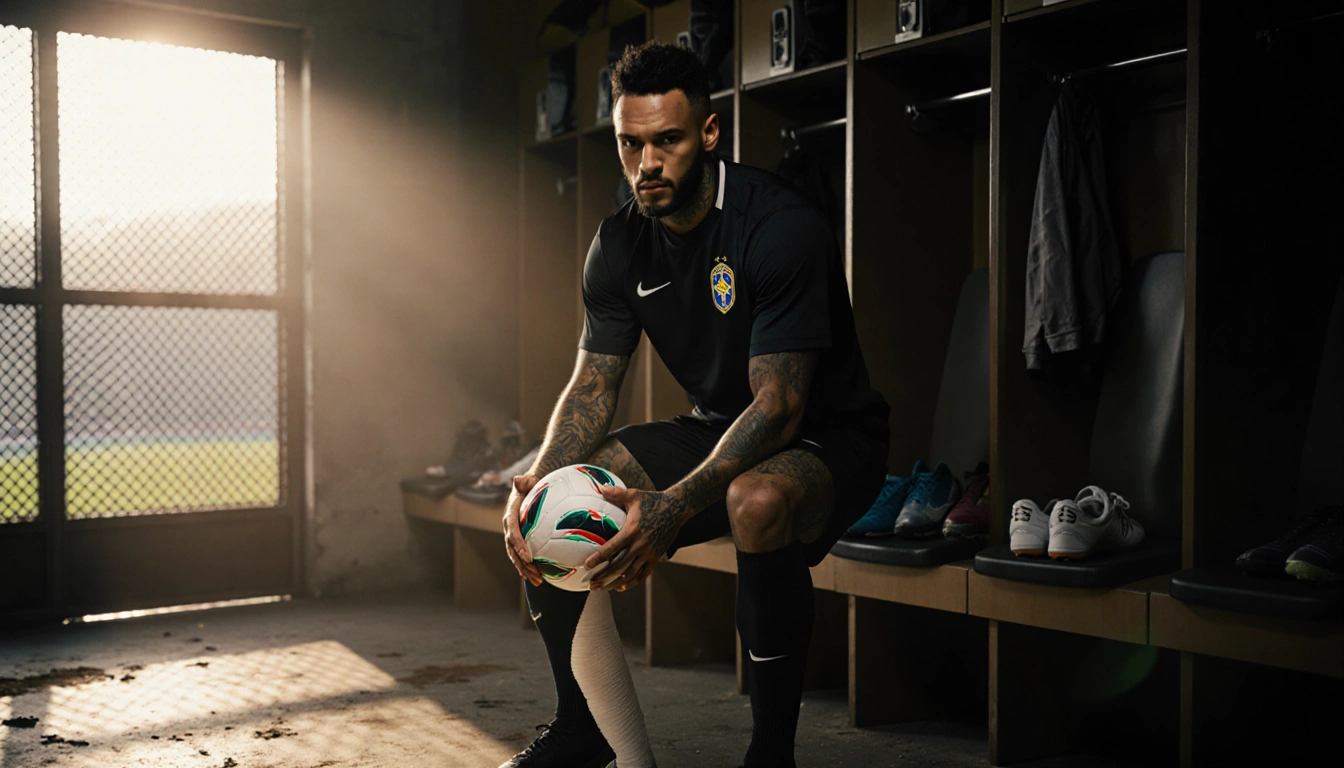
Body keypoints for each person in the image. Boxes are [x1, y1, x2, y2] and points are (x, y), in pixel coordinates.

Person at [499, 41, 890, 768]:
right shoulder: (619, 244)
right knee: (566, 492)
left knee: (755, 500)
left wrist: (674, 505)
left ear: (708, 133)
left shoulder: (778, 225)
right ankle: (584, 730)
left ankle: (771, 756)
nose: (646, 163)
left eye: (667, 141)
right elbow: (592, 387)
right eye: (631, 144)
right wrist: (536, 483)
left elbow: (780, 407)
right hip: (716, 428)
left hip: (831, 437)